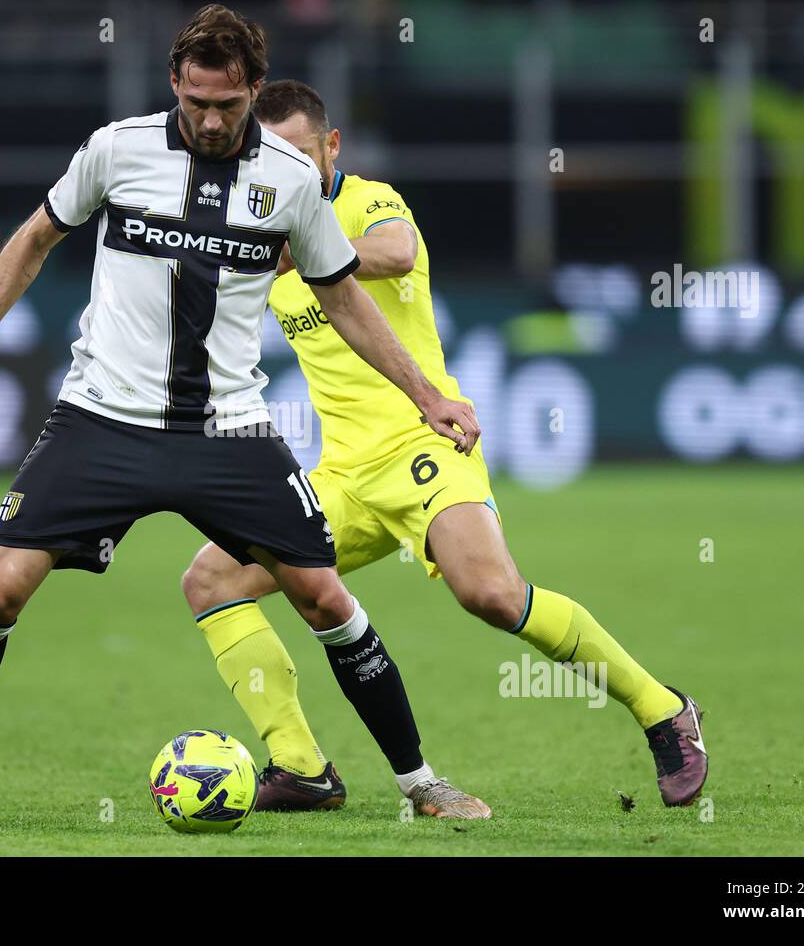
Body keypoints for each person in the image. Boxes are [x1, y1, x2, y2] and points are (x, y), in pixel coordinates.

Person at [0, 5, 488, 822]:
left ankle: (422, 785)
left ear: (251, 92)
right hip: (101, 418)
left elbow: (341, 293)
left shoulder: (288, 179)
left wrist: (428, 396)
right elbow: (34, 238)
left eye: (229, 106)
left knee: (323, 597)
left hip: (227, 429)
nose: (211, 121)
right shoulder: (117, 149)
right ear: (174, 83)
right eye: (197, 101)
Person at [180, 80, 709, 813]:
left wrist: (299, 253)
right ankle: (301, 768)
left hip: (424, 444)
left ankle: (663, 711)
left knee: (491, 594)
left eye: (304, 154)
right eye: (275, 156)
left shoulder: (365, 203)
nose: (292, 170)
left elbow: (396, 254)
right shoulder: (263, 230)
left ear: (332, 148)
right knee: (212, 581)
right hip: (341, 476)